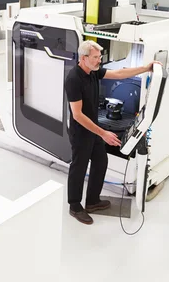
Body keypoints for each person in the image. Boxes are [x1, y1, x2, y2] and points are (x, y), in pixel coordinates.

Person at [64, 40, 161, 225]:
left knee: (101, 161)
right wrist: (103, 133)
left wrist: (145, 68)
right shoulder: (74, 79)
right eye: (95, 57)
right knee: (79, 167)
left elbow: (119, 73)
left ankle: (92, 201)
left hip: (94, 129)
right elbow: (77, 115)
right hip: (81, 132)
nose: (99, 60)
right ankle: (75, 206)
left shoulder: (92, 72)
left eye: (100, 57)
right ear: (84, 58)